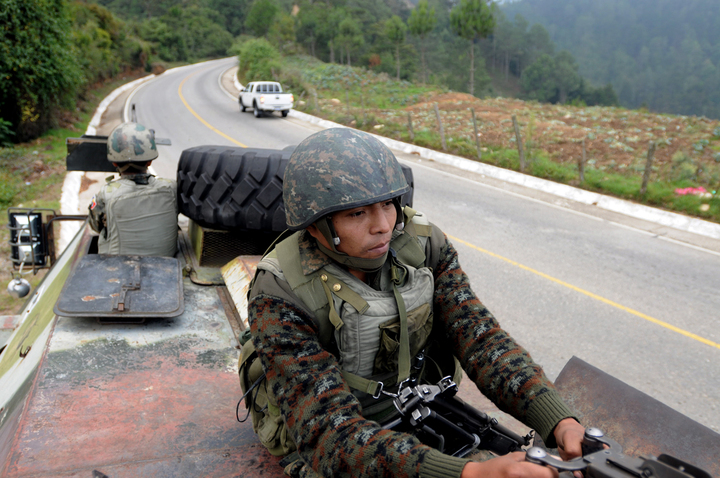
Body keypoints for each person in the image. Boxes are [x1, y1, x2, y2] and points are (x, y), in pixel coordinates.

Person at [245, 128, 585, 478]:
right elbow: (326, 433)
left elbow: (479, 337)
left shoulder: (422, 246)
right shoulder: (279, 292)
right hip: (334, 438)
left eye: (387, 205)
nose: (383, 226)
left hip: (416, 406)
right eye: (357, 214)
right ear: (314, 226)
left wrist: (558, 419)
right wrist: (467, 474)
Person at [88, 122, 178, 256]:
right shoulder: (171, 188)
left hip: (117, 268)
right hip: (166, 266)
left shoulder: (106, 194)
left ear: (114, 162)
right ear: (150, 161)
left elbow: (95, 226)